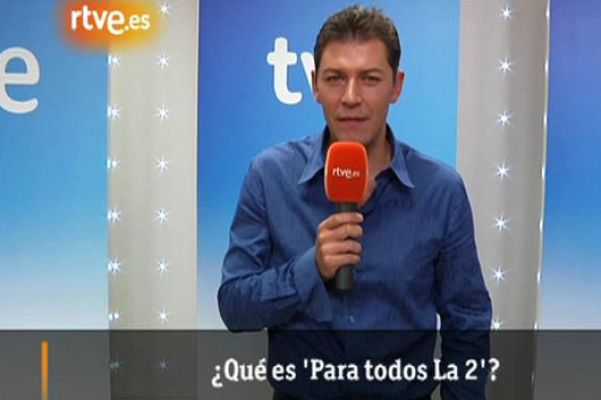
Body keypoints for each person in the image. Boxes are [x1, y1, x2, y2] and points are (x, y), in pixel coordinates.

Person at [218, 5, 492, 399]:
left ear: (396, 86)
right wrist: (310, 269)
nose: (350, 97)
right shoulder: (269, 175)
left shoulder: (441, 190)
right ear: (315, 85)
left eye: (369, 79)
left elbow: (467, 321)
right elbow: (234, 308)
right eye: (335, 78)